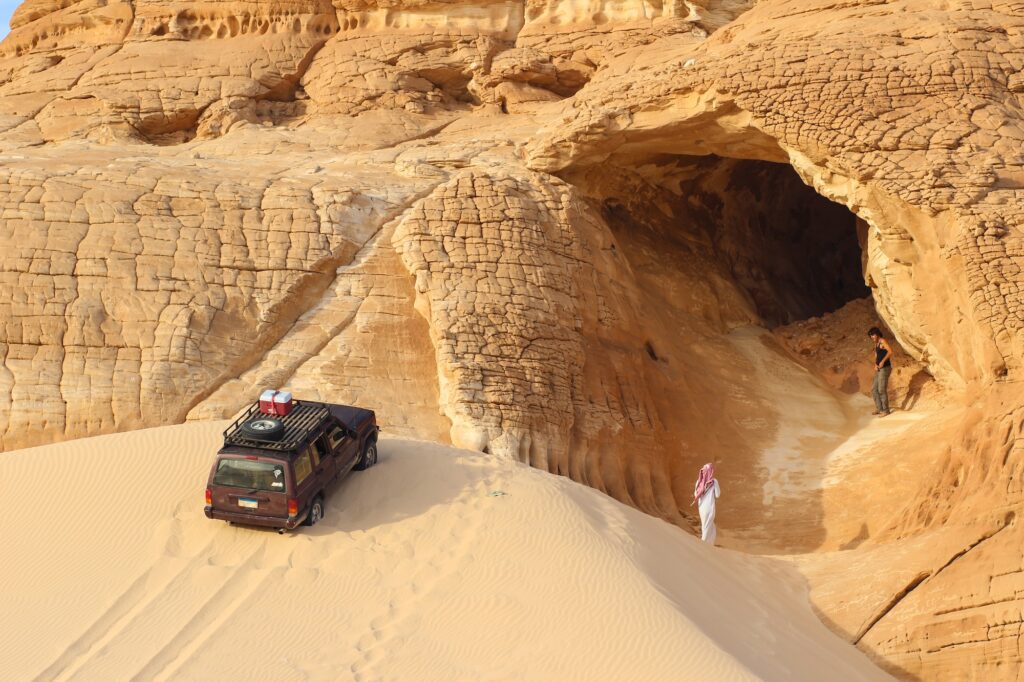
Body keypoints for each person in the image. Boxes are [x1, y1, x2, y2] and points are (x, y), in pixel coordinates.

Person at [692, 463, 721, 544]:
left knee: (707, 526)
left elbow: (695, 494)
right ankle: (703, 544)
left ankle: (709, 545)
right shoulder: (713, 481)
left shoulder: (698, 482)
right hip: (710, 507)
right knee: (707, 526)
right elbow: (718, 495)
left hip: (701, 507)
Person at [868, 326, 893, 417]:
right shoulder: (876, 344)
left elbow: (890, 351)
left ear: (877, 334)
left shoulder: (882, 341)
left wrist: (882, 361)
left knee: (881, 389)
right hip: (879, 369)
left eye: (873, 335)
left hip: (885, 368)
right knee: (874, 389)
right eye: (870, 336)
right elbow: (876, 354)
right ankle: (879, 409)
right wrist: (875, 364)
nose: (872, 337)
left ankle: (886, 411)